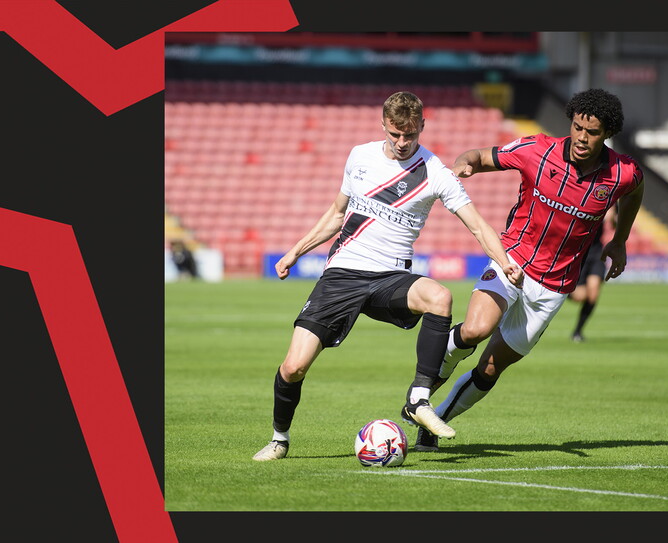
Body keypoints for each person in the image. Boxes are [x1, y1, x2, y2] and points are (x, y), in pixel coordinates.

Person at [252, 91, 524, 461]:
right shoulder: (359, 156)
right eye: (395, 134)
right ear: (383, 126)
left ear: (422, 128)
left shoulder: (435, 174)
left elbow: (477, 226)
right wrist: (295, 251)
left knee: (440, 296)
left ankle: (418, 398)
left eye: (409, 135)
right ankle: (279, 440)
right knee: (294, 366)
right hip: (343, 275)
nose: (401, 142)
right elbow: (336, 213)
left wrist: (504, 261)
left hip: (391, 277)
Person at [415, 88, 645, 452]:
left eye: (593, 131)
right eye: (577, 127)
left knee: (490, 369)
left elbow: (636, 190)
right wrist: (466, 163)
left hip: (554, 288)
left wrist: (620, 239)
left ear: (607, 133)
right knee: (475, 328)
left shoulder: (622, 173)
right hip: (512, 261)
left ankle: (435, 419)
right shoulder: (538, 150)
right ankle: (420, 393)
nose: (582, 138)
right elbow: (478, 155)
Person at [568, 206, 617, 342]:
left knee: (593, 293)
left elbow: (614, 225)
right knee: (579, 296)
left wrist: (612, 216)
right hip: (579, 251)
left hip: (597, 252)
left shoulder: (608, 198)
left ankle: (577, 331)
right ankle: (563, 290)